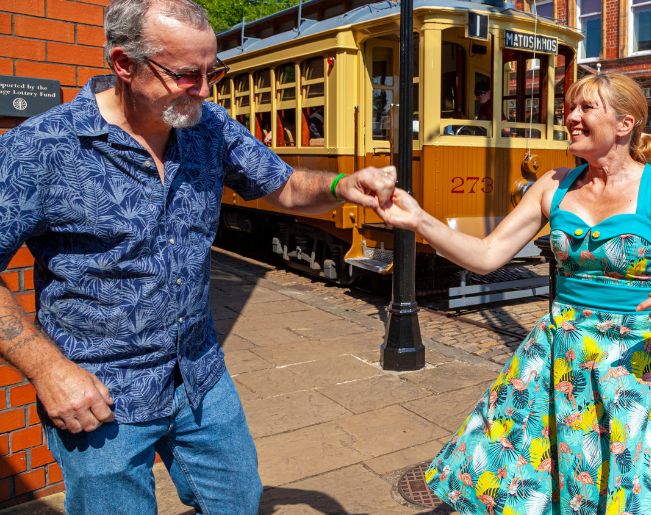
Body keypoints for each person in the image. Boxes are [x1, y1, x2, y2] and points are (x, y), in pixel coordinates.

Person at [0, 0, 395, 513]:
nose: (205, 90)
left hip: (200, 376)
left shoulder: (209, 127)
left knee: (238, 500)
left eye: (213, 71)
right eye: (187, 75)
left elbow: (286, 187)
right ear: (124, 64)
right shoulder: (42, 148)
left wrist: (345, 184)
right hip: (98, 393)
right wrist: (49, 371)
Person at [377, 72, 651, 513]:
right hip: (559, 356)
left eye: (586, 108)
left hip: (632, 364)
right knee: (544, 476)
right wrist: (419, 221)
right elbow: (486, 255)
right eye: (570, 108)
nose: (571, 118)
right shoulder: (553, 185)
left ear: (625, 124)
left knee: (641, 485)